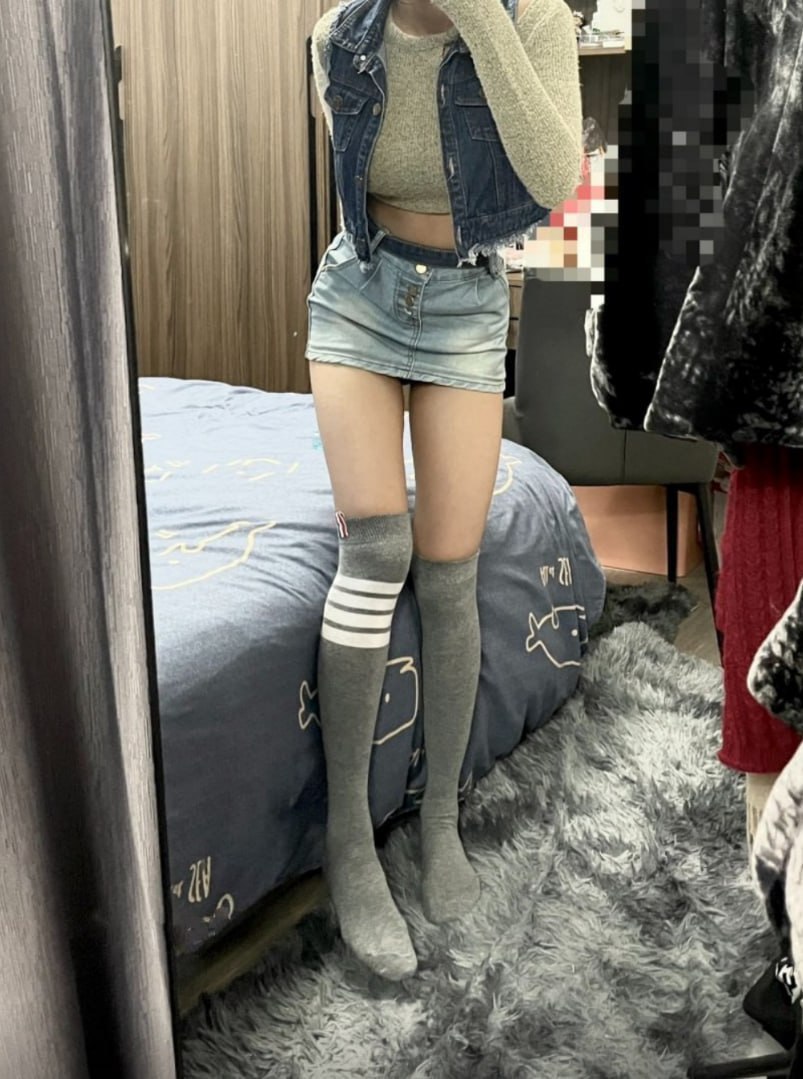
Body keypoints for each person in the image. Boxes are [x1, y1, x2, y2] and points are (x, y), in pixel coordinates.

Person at [308, 0, 583, 980]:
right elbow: (356, 178)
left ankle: (436, 820)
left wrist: (479, 15)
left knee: (450, 569)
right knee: (376, 549)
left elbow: (552, 180)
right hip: (358, 296)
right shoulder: (340, 34)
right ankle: (348, 839)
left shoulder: (534, 18)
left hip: (466, 301)